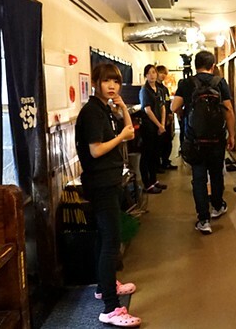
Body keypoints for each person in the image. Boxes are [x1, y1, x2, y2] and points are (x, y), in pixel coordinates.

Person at [75, 63, 141, 327]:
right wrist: (120, 136)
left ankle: (105, 286)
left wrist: (123, 107)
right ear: (95, 83)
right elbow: (95, 150)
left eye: (116, 81)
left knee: (104, 237)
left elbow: (130, 133)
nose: (112, 86)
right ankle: (111, 308)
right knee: (111, 241)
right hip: (100, 183)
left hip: (109, 180)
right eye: (106, 81)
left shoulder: (105, 109)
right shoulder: (92, 112)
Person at [171, 50, 235, 234]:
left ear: (195, 66)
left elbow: (174, 107)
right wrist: (231, 135)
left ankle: (203, 220)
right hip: (217, 138)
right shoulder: (220, 82)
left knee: (198, 178)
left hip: (195, 140)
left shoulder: (186, 83)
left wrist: (183, 113)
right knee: (216, 174)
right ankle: (217, 206)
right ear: (212, 66)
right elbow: (229, 110)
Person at [138, 64, 166, 193]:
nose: (152, 75)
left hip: (159, 127)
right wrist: (159, 125)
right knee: (147, 155)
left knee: (155, 154)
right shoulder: (145, 90)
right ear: (145, 75)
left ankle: (154, 180)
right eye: (149, 73)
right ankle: (147, 184)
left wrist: (162, 124)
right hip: (148, 127)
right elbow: (147, 110)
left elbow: (163, 107)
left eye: (154, 72)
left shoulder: (159, 90)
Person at [156, 65, 177, 170]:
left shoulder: (164, 89)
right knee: (159, 143)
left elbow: (167, 102)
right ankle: (158, 164)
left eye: (165, 73)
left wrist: (170, 114)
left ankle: (165, 161)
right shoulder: (154, 88)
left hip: (167, 119)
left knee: (168, 142)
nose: (163, 75)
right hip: (158, 120)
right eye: (161, 73)